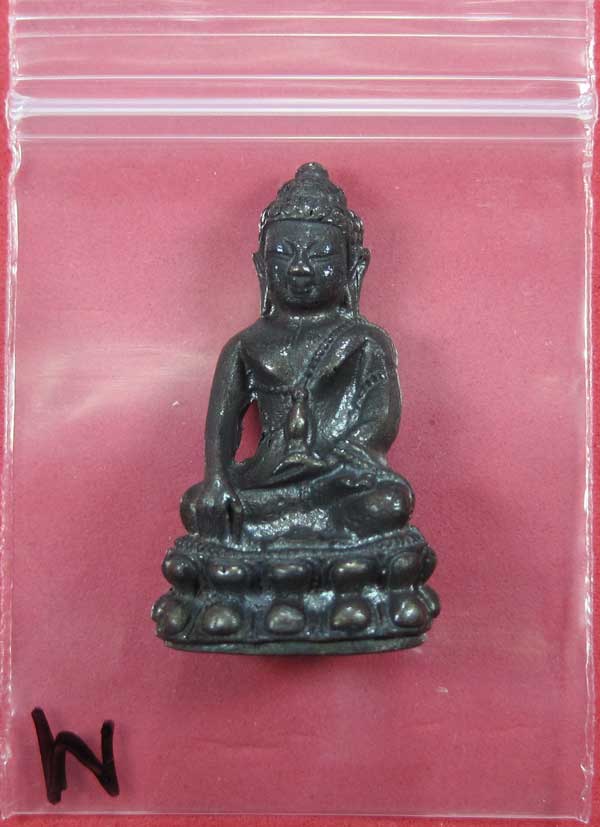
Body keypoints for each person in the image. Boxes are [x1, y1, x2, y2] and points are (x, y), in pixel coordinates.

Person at [180, 162, 414, 547]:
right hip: (267, 477)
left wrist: (337, 459)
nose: (300, 268)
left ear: (354, 267)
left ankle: (281, 534)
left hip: (336, 475)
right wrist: (217, 481)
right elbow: (221, 425)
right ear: (261, 266)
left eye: (320, 255)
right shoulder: (245, 345)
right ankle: (310, 534)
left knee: (389, 503)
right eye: (283, 253)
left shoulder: (365, 341)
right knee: (195, 505)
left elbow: (379, 419)